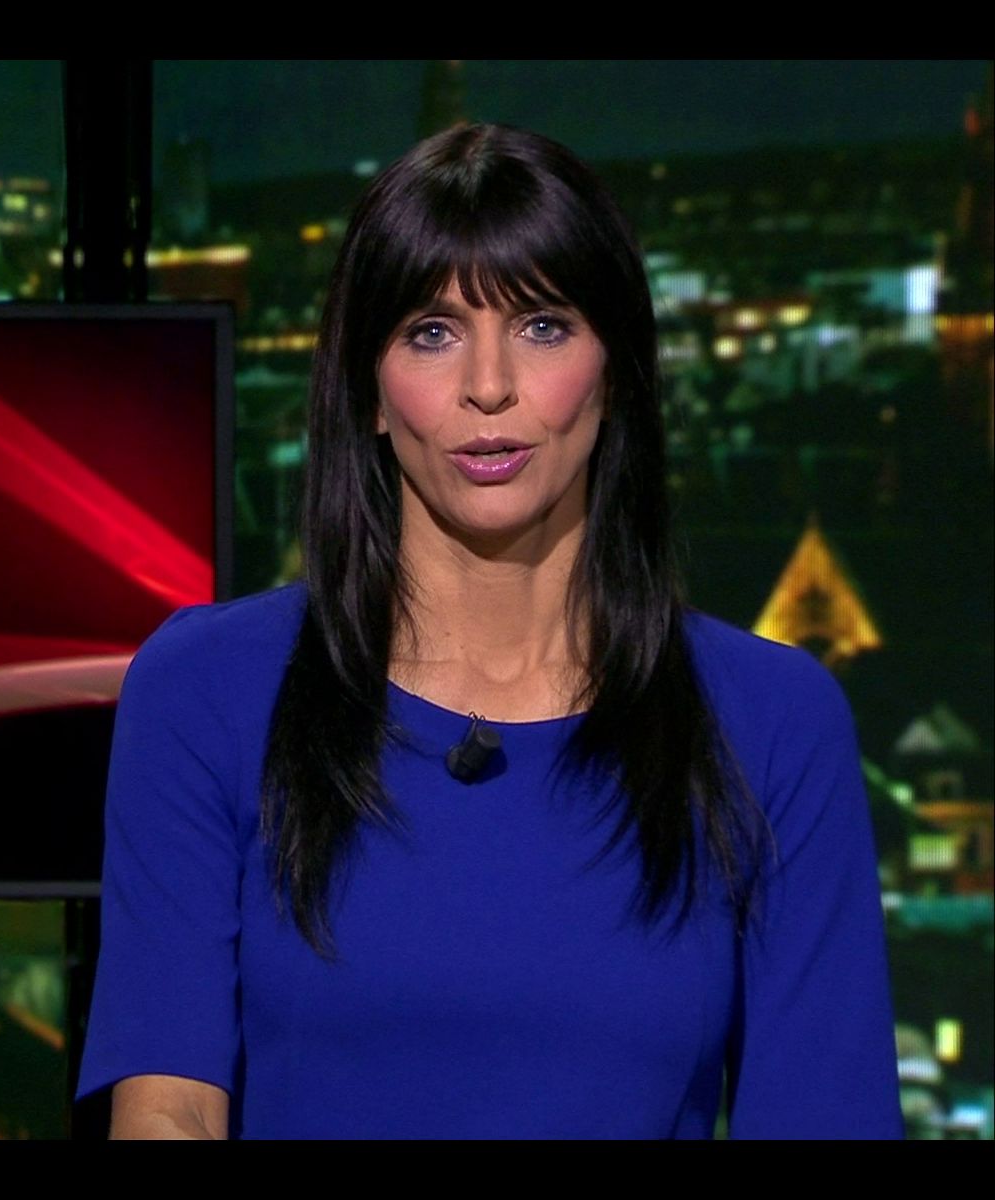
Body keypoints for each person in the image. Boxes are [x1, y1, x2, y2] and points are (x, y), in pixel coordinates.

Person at [72, 122, 903, 1140]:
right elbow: (167, 1108)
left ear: (615, 372)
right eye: (432, 332)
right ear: (371, 392)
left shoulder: (771, 721)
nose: (489, 385)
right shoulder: (206, 688)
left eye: (543, 325)